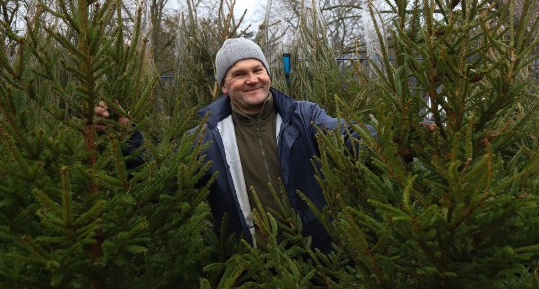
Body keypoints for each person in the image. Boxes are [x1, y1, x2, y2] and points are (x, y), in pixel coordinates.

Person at [97, 37, 374, 253]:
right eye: (239, 74)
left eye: (258, 69)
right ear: (225, 86)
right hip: (247, 264)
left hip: (317, 259)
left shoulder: (303, 116)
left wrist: (396, 136)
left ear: (268, 74)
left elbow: (347, 135)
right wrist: (128, 139)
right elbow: (163, 179)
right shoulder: (206, 136)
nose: (252, 79)